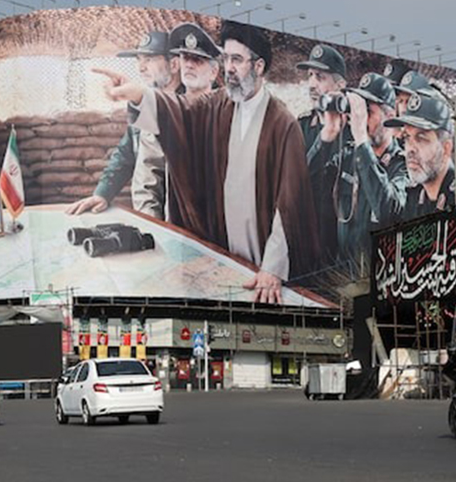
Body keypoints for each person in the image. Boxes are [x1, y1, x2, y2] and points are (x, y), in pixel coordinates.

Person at [95, 21, 319, 304]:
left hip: (260, 263)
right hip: (220, 255)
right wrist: (138, 94)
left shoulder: (282, 123)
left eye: (236, 60)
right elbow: (180, 113)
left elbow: (290, 202)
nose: (229, 68)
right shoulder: (217, 104)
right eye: (225, 59)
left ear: (259, 66)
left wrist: (272, 268)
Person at [66, 31, 182, 216]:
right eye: (139, 59)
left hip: (181, 219)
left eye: (149, 59)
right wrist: (103, 194)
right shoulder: (143, 103)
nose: (141, 68)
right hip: (151, 213)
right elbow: (127, 151)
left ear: (174, 64)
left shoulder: (193, 107)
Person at [309, 73, 408, 260]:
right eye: (357, 112)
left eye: (367, 112)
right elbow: (305, 187)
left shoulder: (402, 165)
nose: (359, 119)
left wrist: (361, 138)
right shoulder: (348, 156)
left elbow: (388, 212)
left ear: (390, 116)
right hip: (341, 274)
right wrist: (327, 134)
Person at [133, 22, 221, 221]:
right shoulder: (162, 115)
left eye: (197, 59)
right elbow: (147, 184)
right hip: (179, 227)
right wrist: (154, 229)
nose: (188, 64)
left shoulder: (229, 114)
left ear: (214, 72)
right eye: (185, 58)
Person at [383, 90, 456, 221]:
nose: (410, 149)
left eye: (421, 138)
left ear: (445, 149)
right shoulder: (413, 198)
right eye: (407, 137)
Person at [295, 43, 348, 162]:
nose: (312, 85)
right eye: (310, 75)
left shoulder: (353, 128)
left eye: (319, 77)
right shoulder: (302, 127)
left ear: (340, 85)